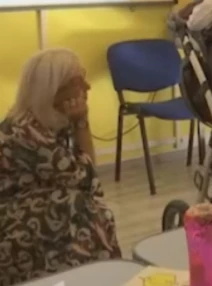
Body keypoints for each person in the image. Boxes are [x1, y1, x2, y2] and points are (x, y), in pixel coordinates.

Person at [0, 49, 121, 285]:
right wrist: (81, 123)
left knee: (83, 208)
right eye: (77, 81)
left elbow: (86, 175)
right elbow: (87, 179)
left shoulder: (43, 121)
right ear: (53, 90)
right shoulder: (28, 133)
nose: (87, 87)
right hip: (10, 221)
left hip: (29, 207)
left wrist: (78, 123)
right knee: (83, 209)